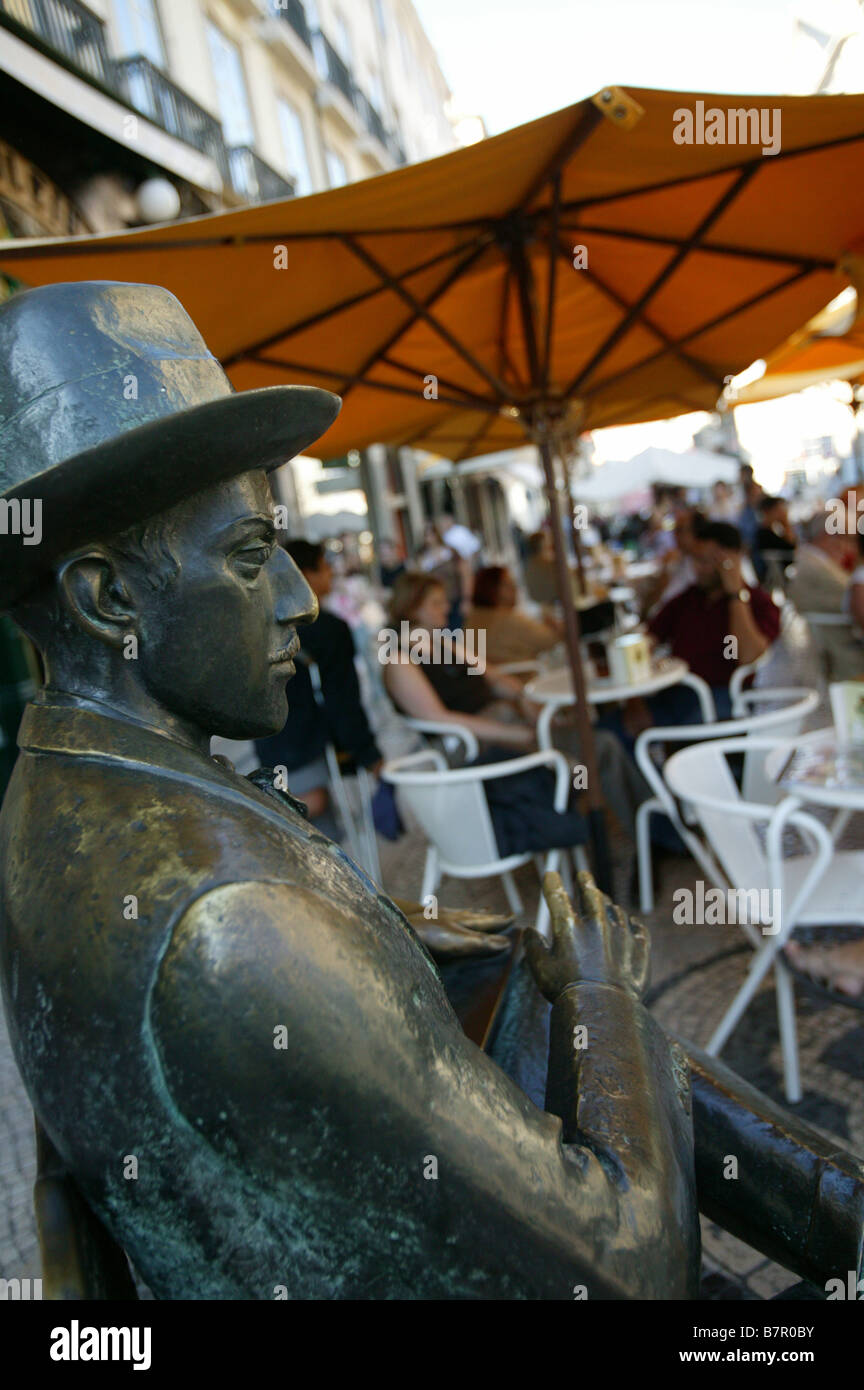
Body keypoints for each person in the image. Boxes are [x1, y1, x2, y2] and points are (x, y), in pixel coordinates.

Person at [0, 280, 699, 1299]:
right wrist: (600, 992)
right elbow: (630, 1271)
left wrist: (383, 940)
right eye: (251, 555)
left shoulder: (50, 802)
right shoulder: (233, 926)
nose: (301, 596)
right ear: (109, 599)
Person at [382, 572, 649, 841]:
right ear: (412, 608)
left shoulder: (443, 643)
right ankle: (637, 832)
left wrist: (525, 699)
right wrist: (512, 732)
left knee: (598, 742)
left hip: (509, 727)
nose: (446, 608)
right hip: (479, 750)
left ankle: (642, 829)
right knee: (595, 749)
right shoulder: (399, 661)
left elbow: (494, 677)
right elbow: (440, 719)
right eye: (436, 603)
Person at [255, 539, 382, 836]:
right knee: (315, 811)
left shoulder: (263, 626)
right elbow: (343, 699)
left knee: (311, 828)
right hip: (309, 741)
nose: (331, 575)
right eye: (325, 568)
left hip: (275, 744)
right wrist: (367, 752)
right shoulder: (329, 629)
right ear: (305, 575)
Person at [646, 521, 780, 722]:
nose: (697, 568)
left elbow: (748, 655)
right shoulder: (687, 599)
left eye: (706, 561)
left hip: (725, 696)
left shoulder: (758, 603)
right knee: (609, 729)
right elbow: (649, 638)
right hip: (676, 691)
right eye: (695, 560)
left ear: (732, 560)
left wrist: (735, 594)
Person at [788, 514, 862, 679]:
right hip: (844, 648)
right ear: (829, 536)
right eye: (849, 538)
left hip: (835, 639)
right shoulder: (816, 567)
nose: (851, 546)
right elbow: (855, 604)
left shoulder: (813, 558)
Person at [464, 565, 562, 666]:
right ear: (492, 588)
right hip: (522, 678)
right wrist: (553, 624)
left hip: (489, 679)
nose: (514, 588)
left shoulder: (473, 618)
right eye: (508, 584)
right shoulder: (507, 619)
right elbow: (548, 640)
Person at [753, 494, 796, 583]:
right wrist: (786, 523)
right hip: (775, 577)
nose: (783, 512)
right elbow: (792, 548)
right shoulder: (764, 534)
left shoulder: (771, 531)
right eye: (779, 509)